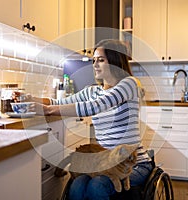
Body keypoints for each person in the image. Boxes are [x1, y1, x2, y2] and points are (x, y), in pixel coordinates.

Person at [35, 39, 153, 200]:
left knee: (97, 186)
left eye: (101, 60)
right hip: (104, 163)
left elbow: (96, 106)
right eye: (94, 60)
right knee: (77, 185)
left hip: (133, 164)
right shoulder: (91, 91)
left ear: (115, 62)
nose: (95, 64)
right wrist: (29, 99)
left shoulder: (129, 84)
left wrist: (48, 110)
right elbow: (58, 103)